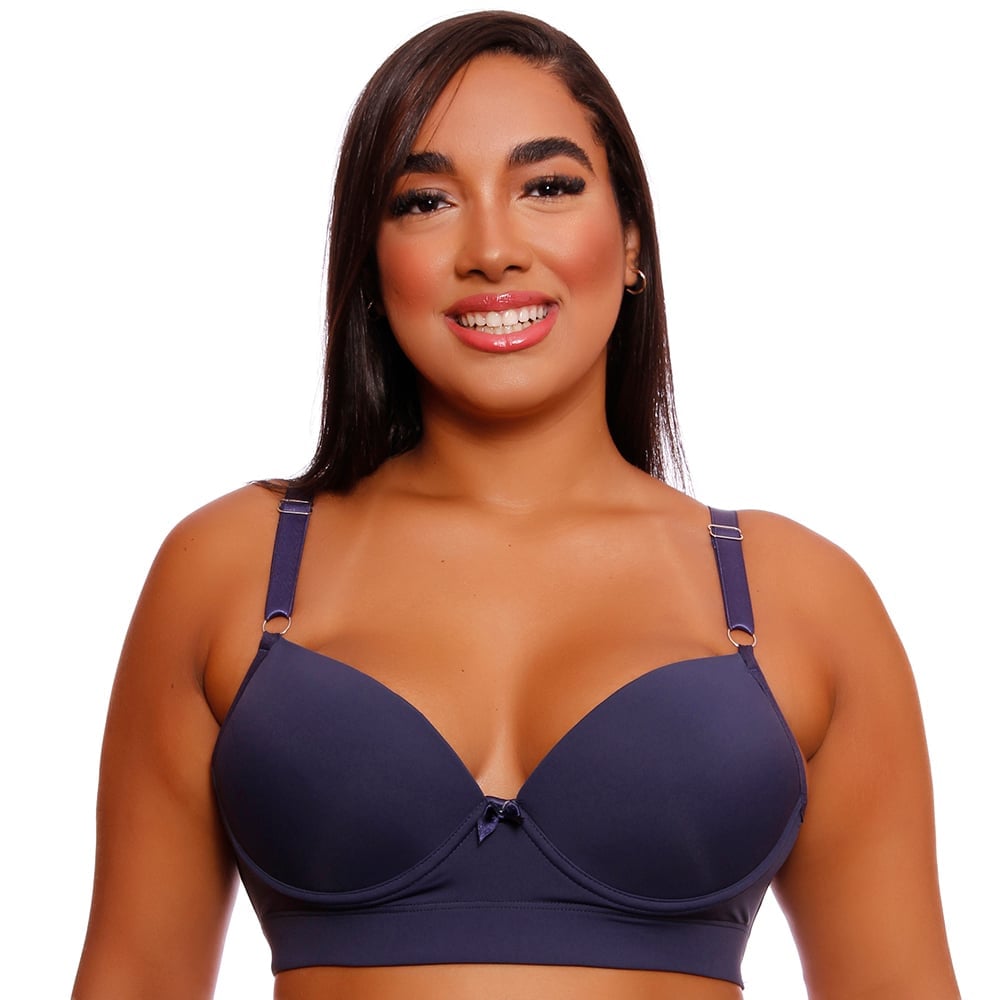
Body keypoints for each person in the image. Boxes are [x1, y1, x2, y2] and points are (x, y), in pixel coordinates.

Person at [73, 11, 959, 999]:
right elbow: (133, 976)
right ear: (371, 264)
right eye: (425, 201)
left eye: (547, 186)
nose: (492, 250)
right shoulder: (229, 568)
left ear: (632, 239)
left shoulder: (800, 596)